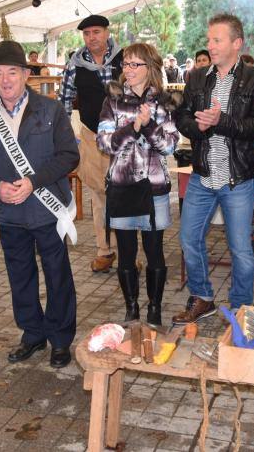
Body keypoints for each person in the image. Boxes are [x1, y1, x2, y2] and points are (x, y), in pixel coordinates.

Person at [0, 40, 79, 368]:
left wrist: (33, 181)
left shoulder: (50, 110)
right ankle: (32, 334)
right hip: (10, 213)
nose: (5, 80)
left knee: (57, 275)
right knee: (20, 276)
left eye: (12, 72)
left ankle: (60, 339)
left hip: (47, 210)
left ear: (26, 75)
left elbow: (69, 156)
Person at [172, 14, 254, 323]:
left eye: (217, 40)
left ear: (237, 43)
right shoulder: (197, 78)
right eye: (209, 40)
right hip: (202, 175)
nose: (211, 46)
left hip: (237, 178)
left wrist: (220, 121)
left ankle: (241, 308)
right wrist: (199, 127)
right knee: (189, 240)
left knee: (240, 249)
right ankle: (202, 297)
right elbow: (182, 117)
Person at [97, 43, 180, 326]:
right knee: (126, 253)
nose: (128, 70)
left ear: (150, 67)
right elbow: (104, 143)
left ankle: (154, 309)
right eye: (126, 64)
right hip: (122, 186)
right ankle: (131, 308)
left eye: (135, 64)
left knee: (155, 251)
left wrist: (148, 125)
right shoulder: (112, 101)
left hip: (154, 187)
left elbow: (170, 146)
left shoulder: (164, 102)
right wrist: (132, 127)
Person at [60, 14, 123, 273]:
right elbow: (64, 100)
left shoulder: (125, 59)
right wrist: (63, 136)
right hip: (92, 136)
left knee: (125, 195)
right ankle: (104, 250)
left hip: (124, 137)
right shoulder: (75, 63)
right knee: (99, 194)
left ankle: (128, 253)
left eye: (96, 32)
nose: (91, 37)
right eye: (86, 33)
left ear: (107, 32)